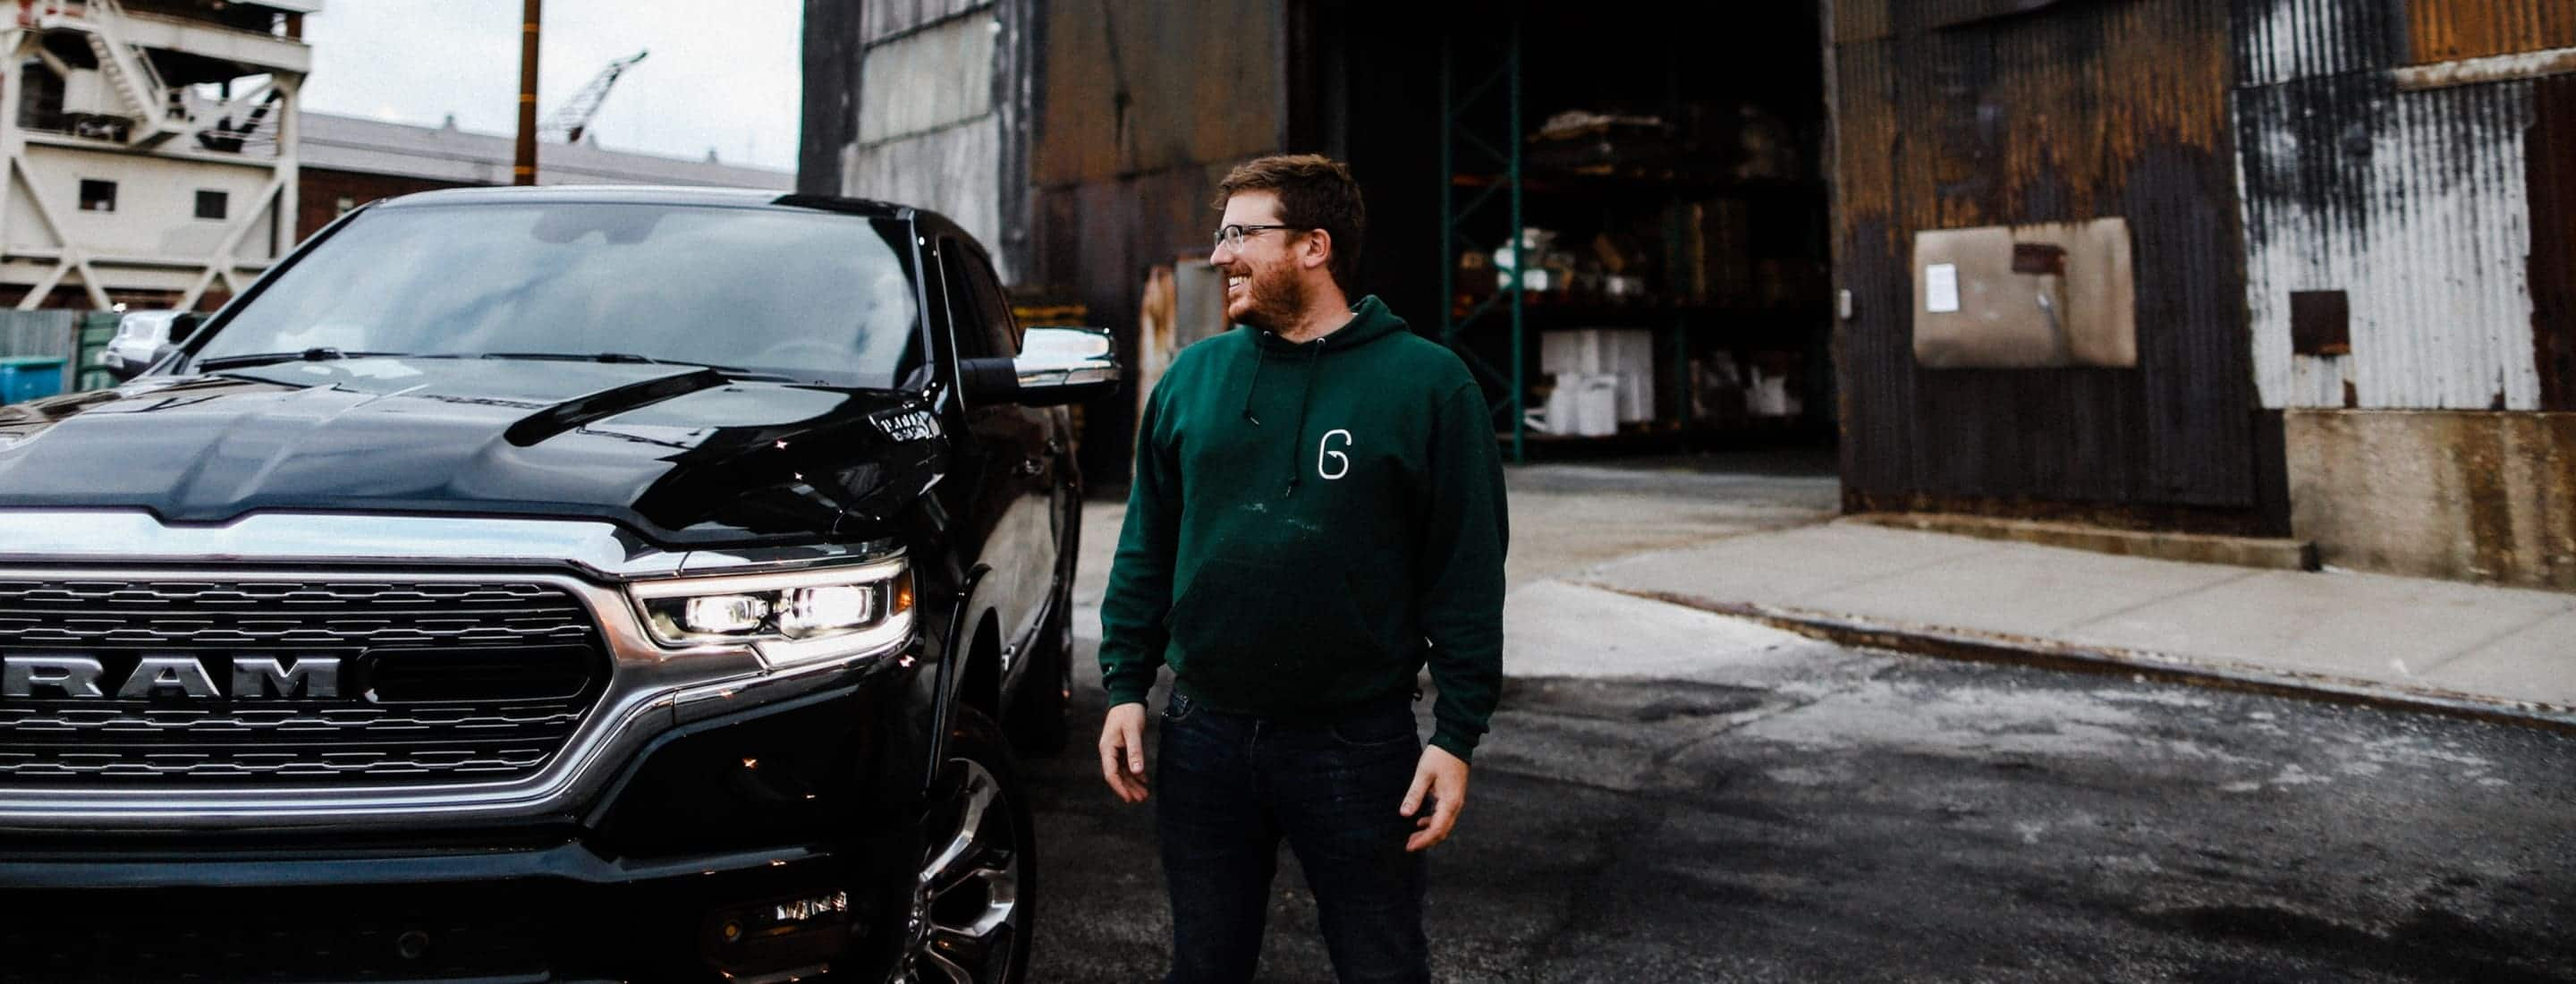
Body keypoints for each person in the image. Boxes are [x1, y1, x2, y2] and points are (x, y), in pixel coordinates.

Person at [1096, 153, 1509, 984]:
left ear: (1315, 246)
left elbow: (1465, 570)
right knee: (1204, 964)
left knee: (1382, 964)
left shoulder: (1428, 385)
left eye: (1243, 234)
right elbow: (1147, 542)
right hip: (1204, 734)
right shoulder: (1193, 378)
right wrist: (1124, 686)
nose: (1220, 256)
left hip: (1357, 745)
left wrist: (1458, 734)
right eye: (1221, 236)